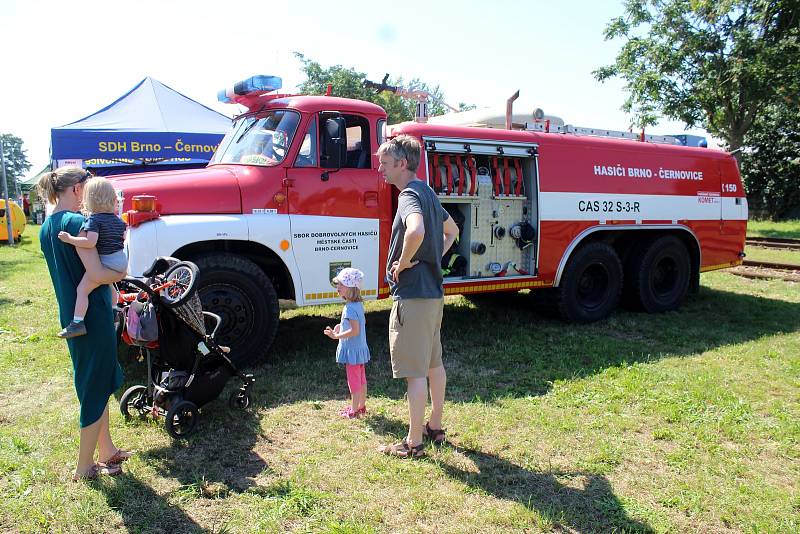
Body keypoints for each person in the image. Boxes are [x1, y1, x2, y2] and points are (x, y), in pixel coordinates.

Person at [37, 167, 130, 481]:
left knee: (96, 381)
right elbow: (100, 274)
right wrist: (121, 273)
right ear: (77, 189)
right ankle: (83, 466)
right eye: (87, 188)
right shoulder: (78, 223)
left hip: (72, 315)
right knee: (93, 386)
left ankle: (106, 451)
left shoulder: (47, 227)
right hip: (93, 316)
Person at [376, 135, 460, 459]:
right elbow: (451, 231)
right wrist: (433, 256)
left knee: (415, 373)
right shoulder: (427, 192)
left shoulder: (409, 195)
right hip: (433, 297)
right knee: (433, 363)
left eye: (384, 162)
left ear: (401, 164)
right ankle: (434, 426)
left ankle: (413, 443)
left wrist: (408, 261)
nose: (380, 168)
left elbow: (416, 231)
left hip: (413, 296)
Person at [57, 177, 127, 338]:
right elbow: (122, 237)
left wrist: (70, 239)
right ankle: (115, 310)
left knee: (82, 290)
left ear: (89, 199)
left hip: (108, 265)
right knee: (109, 285)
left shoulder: (95, 220)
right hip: (121, 264)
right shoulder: (118, 220)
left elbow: (90, 242)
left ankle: (77, 323)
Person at [324, 267, 371, 418]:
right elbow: (353, 326)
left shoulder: (349, 308)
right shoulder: (358, 305)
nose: (338, 287)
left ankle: (354, 410)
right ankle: (362, 406)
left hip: (352, 352)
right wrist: (341, 327)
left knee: (354, 383)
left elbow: (354, 331)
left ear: (351, 289)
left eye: (341, 284)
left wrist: (336, 336)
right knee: (361, 380)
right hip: (359, 350)